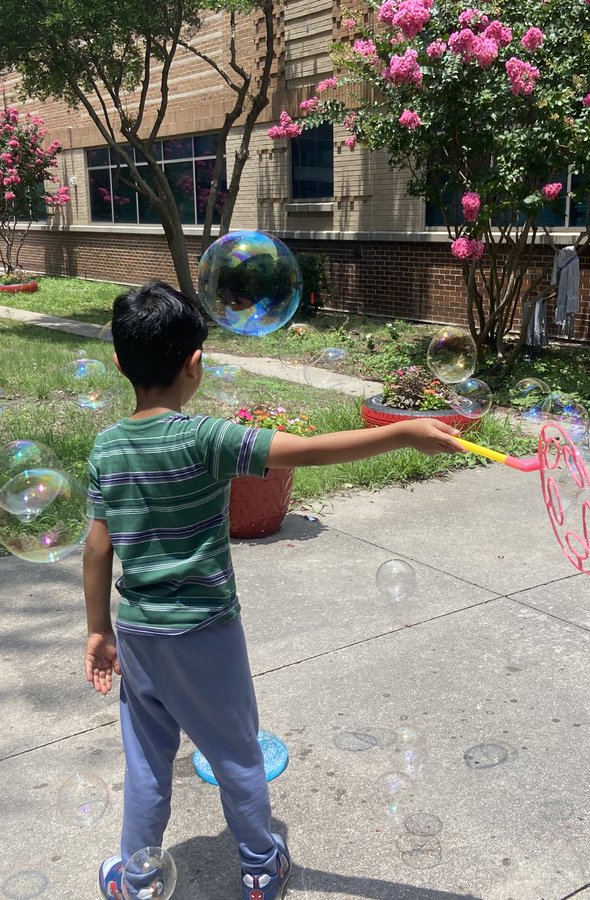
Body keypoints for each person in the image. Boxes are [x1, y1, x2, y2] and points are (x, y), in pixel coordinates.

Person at [84, 281, 466, 900]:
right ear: (196, 363)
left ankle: (138, 877)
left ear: (121, 363)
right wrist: (402, 432)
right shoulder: (205, 438)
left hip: (139, 631)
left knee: (146, 759)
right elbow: (309, 452)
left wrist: (100, 629)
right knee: (236, 750)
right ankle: (261, 864)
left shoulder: (107, 447)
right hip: (205, 631)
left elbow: (97, 547)